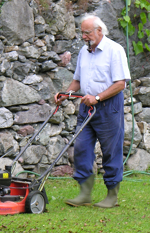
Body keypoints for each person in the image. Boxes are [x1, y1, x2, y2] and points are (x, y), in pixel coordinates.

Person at [54, 14, 131, 208]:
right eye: (82, 33)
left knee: (111, 151)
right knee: (81, 147)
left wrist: (97, 98)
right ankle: (85, 193)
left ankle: (111, 196)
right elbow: (78, 80)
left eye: (87, 32)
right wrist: (66, 93)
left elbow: (120, 84)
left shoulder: (115, 50)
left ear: (99, 31)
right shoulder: (83, 51)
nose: (84, 36)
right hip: (86, 108)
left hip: (108, 107)